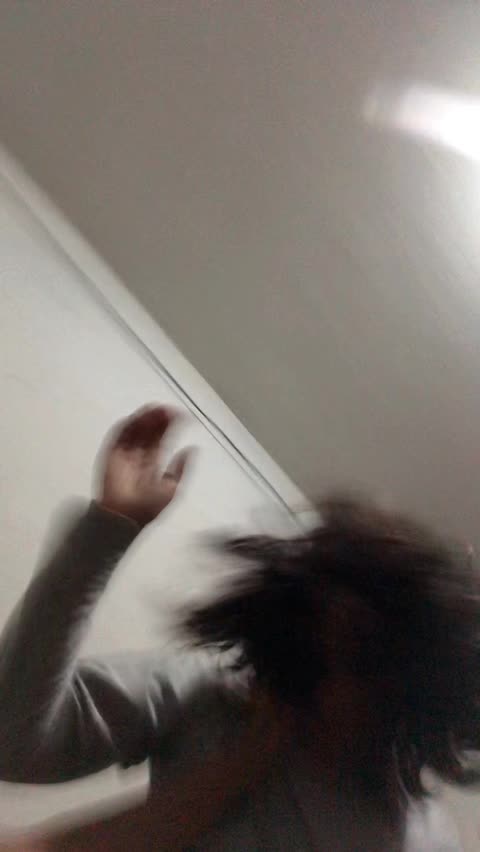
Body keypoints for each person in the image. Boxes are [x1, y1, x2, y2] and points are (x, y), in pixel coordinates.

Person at [0, 405, 477, 850]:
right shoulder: (216, 702)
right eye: (322, 651)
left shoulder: (424, 840)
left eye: (367, 658)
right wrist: (105, 533)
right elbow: (14, 744)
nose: (335, 692)